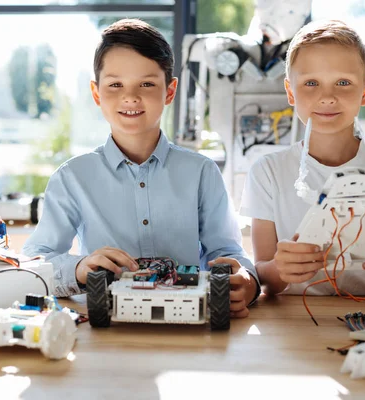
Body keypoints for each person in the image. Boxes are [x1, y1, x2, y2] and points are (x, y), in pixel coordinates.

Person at [23, 19, 260, 317]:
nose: (130, 97)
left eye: (147, 84)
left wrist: (249, 282)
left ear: (170, 92)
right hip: (105, 327)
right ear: (96, 94)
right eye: (115, 84)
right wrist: (79, 267)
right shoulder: (71, 178)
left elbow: (228, 253)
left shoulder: (202, 173)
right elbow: (35, 260)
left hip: (190, 324)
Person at [240, 20, 365, 297]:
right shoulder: (267, 172)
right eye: (311, 83)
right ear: (290, 92)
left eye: (343, 82)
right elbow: (264, 276)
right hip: (293, 326)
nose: (327, 97)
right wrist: (280, 270)